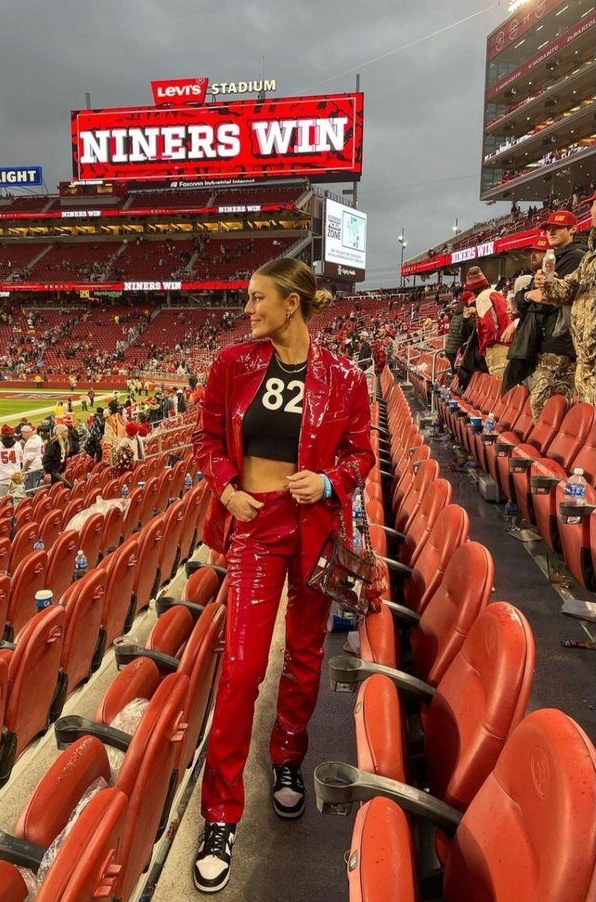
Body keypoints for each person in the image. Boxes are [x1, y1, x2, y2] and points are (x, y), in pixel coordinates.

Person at [191, 257, 374, 892]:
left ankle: (288, 758)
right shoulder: (232, 365)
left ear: (291, 303)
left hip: (314, 528)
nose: (248, 310)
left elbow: (361, 453)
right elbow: (207, 440)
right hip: (255, 524)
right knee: (241, 666)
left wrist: (329, 480)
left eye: (257, 298)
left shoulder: (344, 377)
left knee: (303, 656)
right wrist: (225, 488)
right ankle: (221, 811)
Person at [514, 210, 586, 418]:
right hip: (548, 339)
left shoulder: (575, 258)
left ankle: (551, 449)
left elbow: (550, 299)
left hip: (561, 341)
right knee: (548, 402)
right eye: (548, 229)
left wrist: (538, 294)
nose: (551, 232)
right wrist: (530, 296)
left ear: (572, 229)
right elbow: (523, 300)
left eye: (557, 228)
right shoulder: (553, 258)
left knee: (544, 403)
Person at [533, 191, 596, 405]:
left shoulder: (578, 256)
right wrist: (547, 283)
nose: (591, 210)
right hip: (584, 353)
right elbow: (567, 288)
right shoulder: (589, 258)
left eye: (593, 204)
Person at [464, 266, 512, 378]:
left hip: (498, 348)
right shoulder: (495, 293)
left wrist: (487, 346)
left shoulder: (482, 298)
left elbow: (491, 327)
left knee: (500, 389)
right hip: (507, 345)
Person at [444, 291, 475, 372]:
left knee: (456, 374)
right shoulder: (466, 314)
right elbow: (463, 332)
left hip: (450, 349)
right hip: (458, 350)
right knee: (462, 375)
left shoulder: (456, 314)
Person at [0, 425, 22, 498]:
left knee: (4, 503)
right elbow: (21, 460)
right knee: (18, 501)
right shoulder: (17, 444)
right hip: (16, 478)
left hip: (2, 478)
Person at [20, 423, 44, 494]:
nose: (22, 435)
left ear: (27, 432)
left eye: (23, 433)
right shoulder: (38, 438)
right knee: (37, 490)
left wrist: (24, 468)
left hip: (33, 469)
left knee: (29, 491)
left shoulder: (32, 441)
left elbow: (31, 457)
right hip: (39, 466)